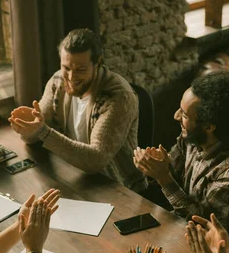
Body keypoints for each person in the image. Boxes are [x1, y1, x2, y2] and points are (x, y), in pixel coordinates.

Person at [134, 70, 229, 251]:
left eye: (184, 115)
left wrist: (163, 177)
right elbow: (173, 174)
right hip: (179, 234)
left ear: (209, 126)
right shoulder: (193, 138)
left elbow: (203, 224)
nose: (176, 116)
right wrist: (154, 165)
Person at [8, 28, 147, 191]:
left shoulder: (119, 98)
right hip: (74, 176)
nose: (72, 77)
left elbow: (96, 160)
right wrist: (27, 128)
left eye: (81, 69)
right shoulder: (58, 81)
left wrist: (42, 131)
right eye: (66, 68)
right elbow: (35, 135)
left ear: (98, 63)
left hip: (117, 187)